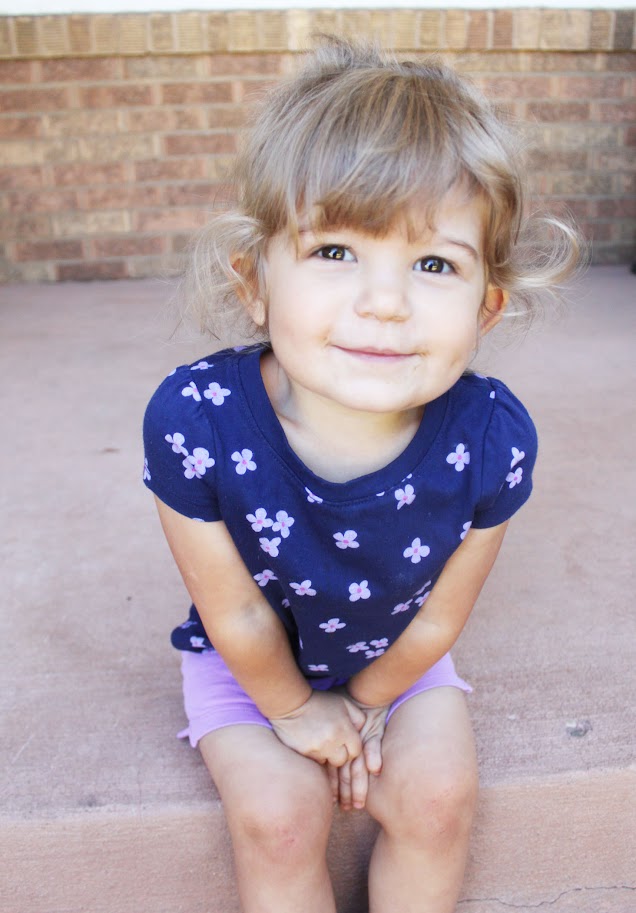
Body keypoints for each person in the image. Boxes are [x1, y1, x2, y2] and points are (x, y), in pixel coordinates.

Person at [143, 37, 581, 913]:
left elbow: (441, 617)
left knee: (438, 795)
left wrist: (369, 702)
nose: (385, 301)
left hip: (398, 660)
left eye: (433, 264)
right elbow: (231, 610)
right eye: (336, 251)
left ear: (486, 307)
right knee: (277, 815)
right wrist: (300, 711)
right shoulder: (195, 421)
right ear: (255, 281)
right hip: (247, 664)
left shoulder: (493, 436)